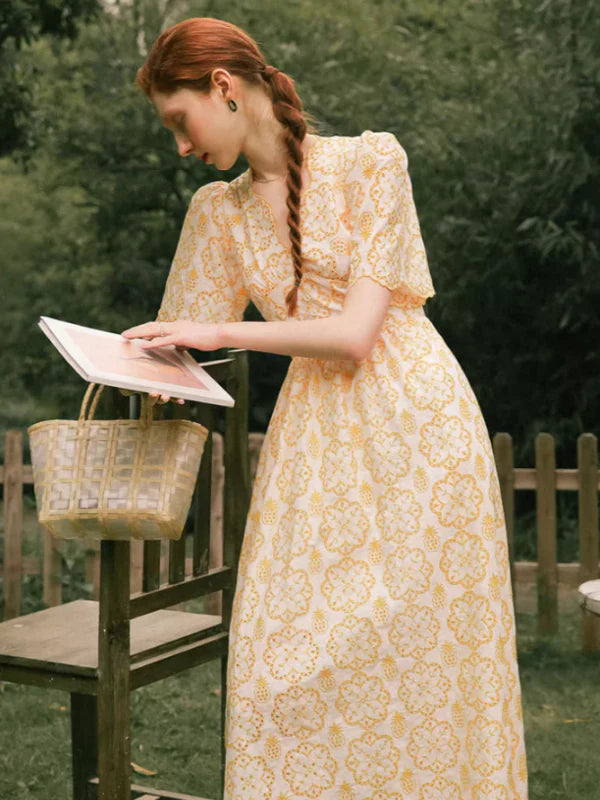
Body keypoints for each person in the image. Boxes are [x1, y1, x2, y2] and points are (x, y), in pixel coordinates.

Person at [122, 16, 528, 800]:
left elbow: (354, 335)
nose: (180, 146)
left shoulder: (373, 162)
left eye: (181, 121)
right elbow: (177, 353)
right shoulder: (218, 212)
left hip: (419, 429)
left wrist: (213, 328)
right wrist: (125, 356)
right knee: (277, 662)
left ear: (224, 87)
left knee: (425, 662)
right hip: (313, 441)